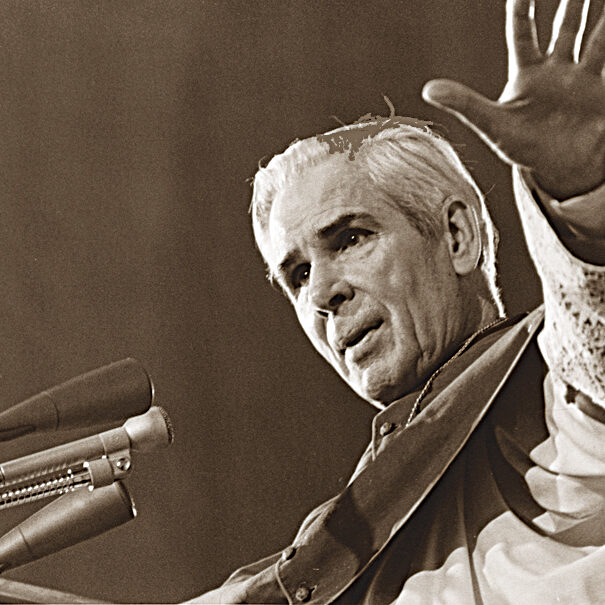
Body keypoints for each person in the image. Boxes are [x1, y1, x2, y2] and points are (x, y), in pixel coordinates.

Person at [191, 0, 605, 602]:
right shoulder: (334, 540)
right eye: (298, 275)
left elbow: (591, 341)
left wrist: (583, 197)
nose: (323, 294)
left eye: (351, 238)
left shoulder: (553, 393)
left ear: (457, 237)